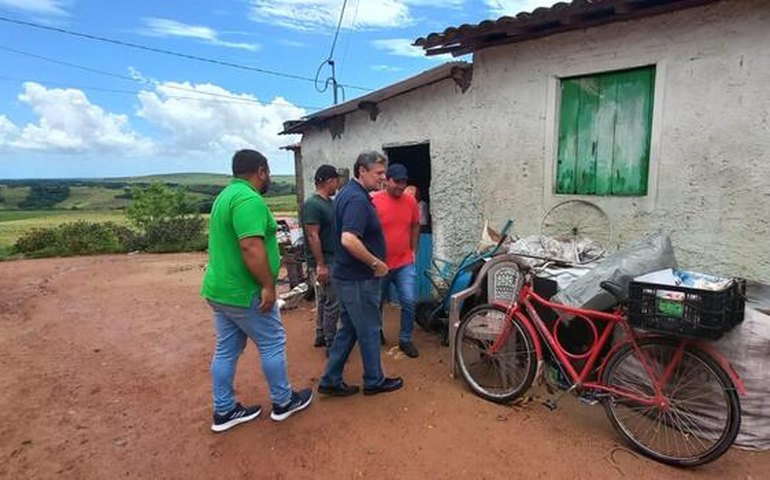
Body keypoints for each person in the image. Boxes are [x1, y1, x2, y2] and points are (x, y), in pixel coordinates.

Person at [201, 149, 313, 433]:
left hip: (220, 291)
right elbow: (250, 246)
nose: (270, 177)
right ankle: (283, 401)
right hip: (244, 291)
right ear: (261, 171)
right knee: (272, 341)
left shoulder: (224, 197)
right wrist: (267, 286)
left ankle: (224, 409)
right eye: (269, 172)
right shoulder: (249, 199)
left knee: (227, 348)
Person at [317, 151, 404, 397]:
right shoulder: (356, 200)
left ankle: (331, 379)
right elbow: (348, 239)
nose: (383, 177)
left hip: (347, 276)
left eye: (383, 173)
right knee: (368, 328)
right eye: (378, 173)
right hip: (358, 279)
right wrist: (376, 263)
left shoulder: (349, 193)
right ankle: (374, 380)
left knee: (351, 329)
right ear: (362, 171)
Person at [372, 164, 421, 358]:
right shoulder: (373, 201)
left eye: (404, 182)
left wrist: (414, 250)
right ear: (387, 180)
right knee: (377, 302)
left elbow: (415, 226)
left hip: (404, 263)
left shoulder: (410, 202)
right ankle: (376, 333)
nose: (401, 186)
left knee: (409, 301)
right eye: (397, 181)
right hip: (380, 265)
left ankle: (405, 339)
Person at [302, 165, 341, 354]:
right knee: (333, 303)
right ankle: (332, 343)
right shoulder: (313, 205)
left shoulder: (329, 203)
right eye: (336, 180)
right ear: (329, 181)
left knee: (324, 300)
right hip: (325, 261)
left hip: (330, 259)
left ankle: (320, 334)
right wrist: (320, 265)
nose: (338, 184)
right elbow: (312, 236)